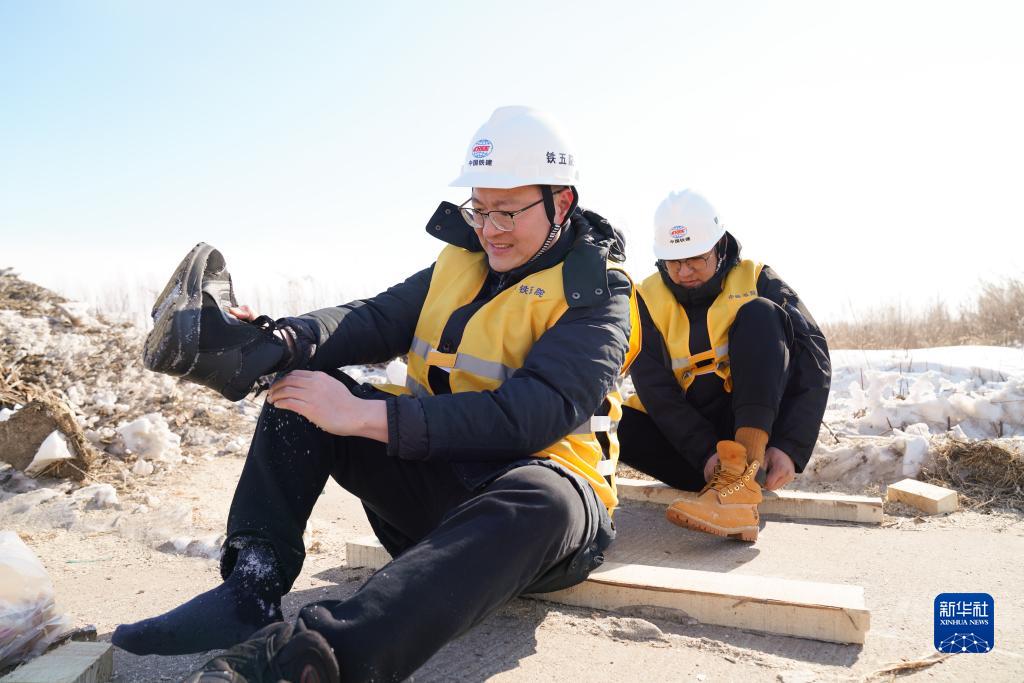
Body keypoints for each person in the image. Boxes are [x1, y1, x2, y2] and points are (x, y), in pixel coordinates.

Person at [114, 105, 639, 683]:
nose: (490, 229)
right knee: (302, 394)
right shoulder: (460, 262)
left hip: (538, 522)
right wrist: (282, 340)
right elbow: (374, 317)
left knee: (543, 499)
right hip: (433, 496)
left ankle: (314, 659)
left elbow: (534, 415)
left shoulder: (601, 293)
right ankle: (249, 590)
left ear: (561, 203)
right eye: (480, 209)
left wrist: (369, 416)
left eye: (508, 211)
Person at [618, 189, 830, 542]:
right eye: (673, 262)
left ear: (718, 246)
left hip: (754, 423)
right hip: (693, 440)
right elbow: (656, 390)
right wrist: (705, 454)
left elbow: (813, 358)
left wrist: (791, 446)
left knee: (761, 314)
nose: (684, 271)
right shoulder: (644, 299)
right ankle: (724, 485)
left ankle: (742, 483)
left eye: (696, 259)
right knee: (622, 425)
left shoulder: (757, 278)